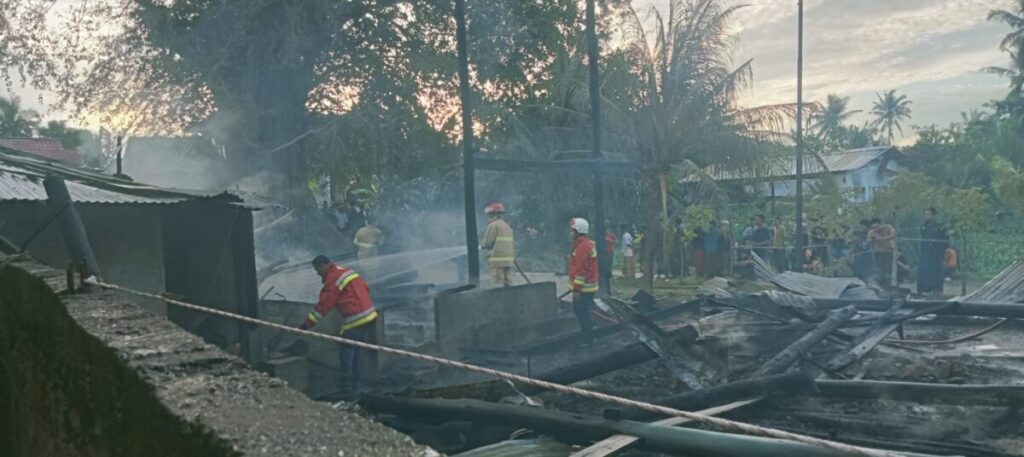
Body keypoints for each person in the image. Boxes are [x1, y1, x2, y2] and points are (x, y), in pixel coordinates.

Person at [302, 255, 378, 396]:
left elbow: (323, 306)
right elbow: (365, 288)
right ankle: (357, 385)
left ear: (323, 266)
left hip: (356, 318)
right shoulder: (346, 271)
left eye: (317, 270)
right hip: (369, 315)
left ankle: (346, 389)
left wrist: (306, 325)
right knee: (356, 353)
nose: (318, 274)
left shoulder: (333, 280)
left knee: (347, 353)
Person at [568, 218, 599, 339]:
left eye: (572, 230)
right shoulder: (585, 244)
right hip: (586, 287)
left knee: (582, 313)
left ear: (578, 231)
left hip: (583, 288)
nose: (570, 233)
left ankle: (588, 338)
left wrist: (576, 289)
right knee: (584, 312)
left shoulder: (582, 247)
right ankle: (588, 335)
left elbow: (581, 271)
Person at [481, 202, 516, 287]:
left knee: (497, 283)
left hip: (497, 260)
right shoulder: (507, 226)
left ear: (493, 214)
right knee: (508, 283)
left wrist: (482, 245)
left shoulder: (493, 225)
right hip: (508, 260)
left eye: (489, 214)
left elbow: (488, 243)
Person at [917, 207, 948, 296]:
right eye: (925, 214)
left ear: (933, 215)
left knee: (936, 272)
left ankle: (937, 290)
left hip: (936, 254)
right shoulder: (923, 226)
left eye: (928, 214)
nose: (926, 216)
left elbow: (945, 241)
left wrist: (943, 253)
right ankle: (924, 290)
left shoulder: (940, 227)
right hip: (925, 253)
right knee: (923, 271)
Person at [867, 217, 897, 288]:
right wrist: (872, 240)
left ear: (881, 225)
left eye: (877, 227)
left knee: (888, 270)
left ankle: (888, 285)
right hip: (878, 253)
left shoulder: (888, 227)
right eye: (873, 228)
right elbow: (868, 242)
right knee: (880, 270)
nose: (876, 229)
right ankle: (881, 286)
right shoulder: (871, 232)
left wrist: (881, 239)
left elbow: (893, 235)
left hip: (888, 251)